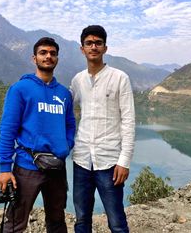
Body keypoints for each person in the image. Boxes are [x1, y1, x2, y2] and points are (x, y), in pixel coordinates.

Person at [0, 37, 76, 233]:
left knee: (57, 220)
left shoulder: (64, 94)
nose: (48, 56)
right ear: (34, 58)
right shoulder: (20, 89)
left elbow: (70, 124)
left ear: (57, 58)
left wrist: (65, 146)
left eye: (52, 53)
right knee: (15, 223)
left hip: (56, 167)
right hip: (27, 166)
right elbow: (8, 129)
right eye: (43, 53)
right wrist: (5, 168)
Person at [70, 25, 135, 233]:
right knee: (82, 220)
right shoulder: (78, 80)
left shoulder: (119, 78)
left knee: (116, 221)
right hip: (81, 160)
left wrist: (124, 161)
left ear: (105, 48)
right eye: (89, 43)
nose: (94, 47)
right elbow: (64, 110)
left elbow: (128, 121)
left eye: (98, 43)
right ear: (82, 49)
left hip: (109, 163)